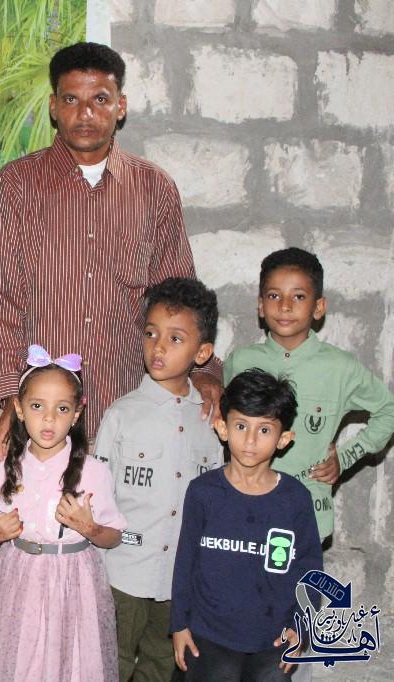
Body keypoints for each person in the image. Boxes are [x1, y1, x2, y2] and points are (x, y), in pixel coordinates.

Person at [0, 40, 222, 579]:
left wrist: (205, 372)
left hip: (128, 408)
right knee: (20, 547)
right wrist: (8, 403)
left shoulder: (154, 189)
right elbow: (5, 304)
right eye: (71, 99)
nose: (84, 113)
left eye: (99, 99)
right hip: (40, 414)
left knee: (118, 557)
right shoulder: (17, 186)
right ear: (53, 106)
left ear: (121, 106)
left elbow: (180, 298)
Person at [0, 345, 126, 681]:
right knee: (18, 662)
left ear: (77, 414)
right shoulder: (6, 468)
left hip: (72, 586)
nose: (49, 418)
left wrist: (90, 528)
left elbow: (115, 536)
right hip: (17, 582)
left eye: (62, 408)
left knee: (66, 665)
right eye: (37, 406)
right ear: (19, 410)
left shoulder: (93, 472)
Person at [96, 277, 224, 681]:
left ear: (202, 353)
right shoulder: (121, 414)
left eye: (175, 338)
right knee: (109, 663)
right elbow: (98, 497)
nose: (158, 347)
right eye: (151, 333)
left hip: (179, 580)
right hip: (123, 572)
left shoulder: (211, 421)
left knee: (161, 666)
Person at [224, 247, 394, 542]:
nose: (285, 306)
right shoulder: (239, 362)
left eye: (299, 297)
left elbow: (388, 410)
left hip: (307, 516)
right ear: (260, 306)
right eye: (274, 296)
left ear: (318, 307)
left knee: (298, 574)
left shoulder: (340, 367)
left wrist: (345, 457)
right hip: (243, 511)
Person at [171, 369, 323, 681]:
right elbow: (185, 561)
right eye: (241, 426)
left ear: (283, 439)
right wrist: (179, 624)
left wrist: (301, 626)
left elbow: (310, 569)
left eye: (264, 430)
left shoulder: (295, 499)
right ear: (222, 428)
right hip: (208, 636)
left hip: (273, 640)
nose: (251, 440)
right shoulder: (203, 492)